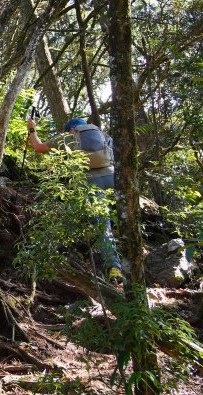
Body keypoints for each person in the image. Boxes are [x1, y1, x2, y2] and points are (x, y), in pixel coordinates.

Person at [27, 117, 124, 284]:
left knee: (102, 223)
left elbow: (38, 147)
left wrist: (32, 129)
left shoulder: (68, 138)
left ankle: (113, 267)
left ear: (71, 130)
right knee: (121, 216)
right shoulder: (103, 135)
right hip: (113, 177)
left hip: (92, 182)